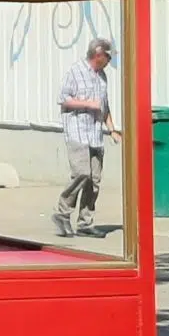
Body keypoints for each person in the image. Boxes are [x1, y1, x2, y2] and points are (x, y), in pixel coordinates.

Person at [56, 37, 116, 237]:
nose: (109, 61)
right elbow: (63, 99)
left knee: (94, 181)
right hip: (78, 132)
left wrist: (112, 129)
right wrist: (88, 104)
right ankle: (62, 212)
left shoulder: (102, 77)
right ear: (98, 55)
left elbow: (104, 106)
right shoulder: (75, 71)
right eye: (108, 57)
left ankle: (85, 223)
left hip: (95, 134)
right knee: (82, 173)